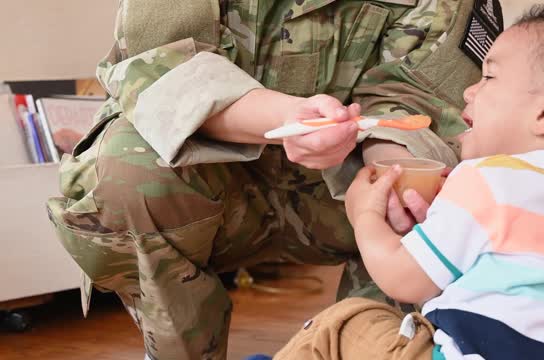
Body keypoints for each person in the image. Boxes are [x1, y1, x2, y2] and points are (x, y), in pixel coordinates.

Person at [46, 0, 500, 359]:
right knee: (126, 170)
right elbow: (162, 64)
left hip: (347, 191)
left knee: (427, 185)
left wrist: (392, 174)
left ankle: (376, 346)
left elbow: (420, 98)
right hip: (209, 184)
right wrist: (287, 119)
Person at [272, 3, 544, 359]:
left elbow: (406, 279)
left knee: (347, 324)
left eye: (489, 78)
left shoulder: (488, 179)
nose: (468, 91)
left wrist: (364, 214)